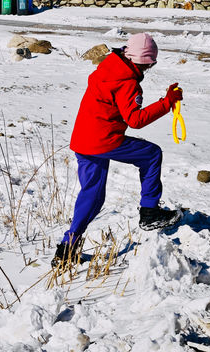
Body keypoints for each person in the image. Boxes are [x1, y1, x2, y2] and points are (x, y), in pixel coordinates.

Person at [53, 32, 183, 267]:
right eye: (148, 64)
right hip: (104, 141)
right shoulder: (127, 82)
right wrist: (167, 103)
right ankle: (150, 213)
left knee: (92, 195)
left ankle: (67, 249)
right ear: (143, 61)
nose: (148, 69)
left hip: (83, 140)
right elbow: (135, 119)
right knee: (152, 154)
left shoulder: (109, 66)